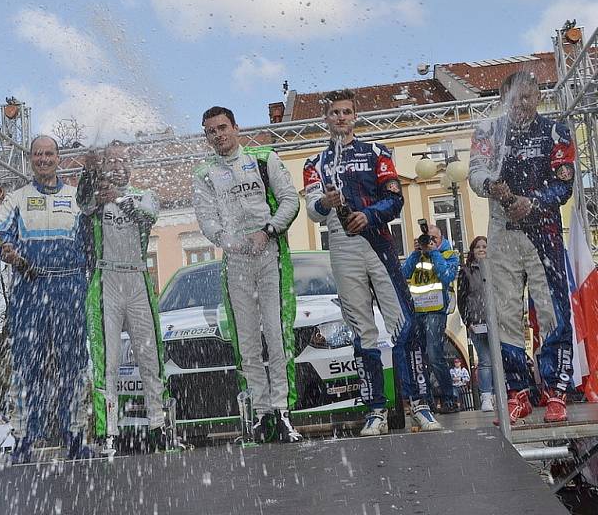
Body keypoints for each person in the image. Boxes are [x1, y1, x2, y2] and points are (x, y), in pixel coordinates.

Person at [304, 89, 442, 436]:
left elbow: (395, 199)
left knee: (403, 325)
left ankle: (419, 404)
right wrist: (325, 202)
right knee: (361, 330)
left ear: (355, 116)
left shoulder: (376, 152)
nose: (341, 117)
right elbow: (311, 210)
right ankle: (375, 410)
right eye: (334, 112)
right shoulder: (315, 163)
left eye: (346, 112)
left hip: (377, 243)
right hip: (341, 245)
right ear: (326, 118)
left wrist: (368, 215)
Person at [470, 71, 575, 424]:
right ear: (504, 100)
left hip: (543, 230)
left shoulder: (555, 131)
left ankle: (556, 391)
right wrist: (491, 186)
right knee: (504, 312)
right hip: (502, 231)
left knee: (551, 311)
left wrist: (533, 202)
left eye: (527, 97)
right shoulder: (489, 131)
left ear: (538, 96)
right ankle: (517, 392)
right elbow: (475, 172)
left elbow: (564, 187)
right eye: (514, 98)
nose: (521, 104)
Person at [193, 106, 302, 443]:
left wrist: (267, 231)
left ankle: (283, 410)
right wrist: (230, 242)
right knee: (247, 340)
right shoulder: (204, 173)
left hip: (269, 253)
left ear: (236, 128)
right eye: (211, 131)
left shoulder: (263, 158)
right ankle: (261, 413)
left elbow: (290, 200)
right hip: (237, 260)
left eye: (222, 128)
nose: (218, 135)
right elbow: (207, 220)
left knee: (275, 331)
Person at [0, 135, 90, 463]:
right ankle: (23, 440)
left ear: (59, 158)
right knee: (25, 365)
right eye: (37, 154)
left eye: (49, 154)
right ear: (30, 159)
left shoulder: (77, 197)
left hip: (69, 287)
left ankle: (74, 435)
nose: (43, 159)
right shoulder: (16, 198)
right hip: (30, 287)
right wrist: (10, 253)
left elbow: (90, 242)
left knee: (73, 364)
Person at [77, 142, 168, 455]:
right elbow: (82, 202)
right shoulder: (97, 198)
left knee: (149, 357)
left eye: (123, 160)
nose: (117, 166)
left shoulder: (144, 194)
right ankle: (109, 432)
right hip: (107, 280)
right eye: (111, 162)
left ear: (131, 163)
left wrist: (117, 197)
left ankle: (159, 425)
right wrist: (88, 171)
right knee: (108, 362)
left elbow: (146, 216)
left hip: (138, 278)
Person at [402, 225, 460, 413]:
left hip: (436, 311)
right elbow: (403, 275)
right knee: (420, 358)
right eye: (426, 239)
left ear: (440, 238)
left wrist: (434, 252)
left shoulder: (449, 254)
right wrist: (414, 253)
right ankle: (426, 400)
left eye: (433, 239)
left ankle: (449, 398)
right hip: (417, 312)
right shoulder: (417, 256)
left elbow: (446, 276)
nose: (429, 242)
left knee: (435, 356)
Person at [457, 236, 495, 412]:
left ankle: (498, 393)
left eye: (485, 246)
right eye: (478, 247)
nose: (481, 249)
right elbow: (462, 299)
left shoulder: (495, 268)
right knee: (486, 360)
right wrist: (467, 321)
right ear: (472, 251)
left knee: (498, 359)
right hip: (477, 322)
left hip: (496, 321)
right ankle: (486, 396)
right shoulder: (466, 272)